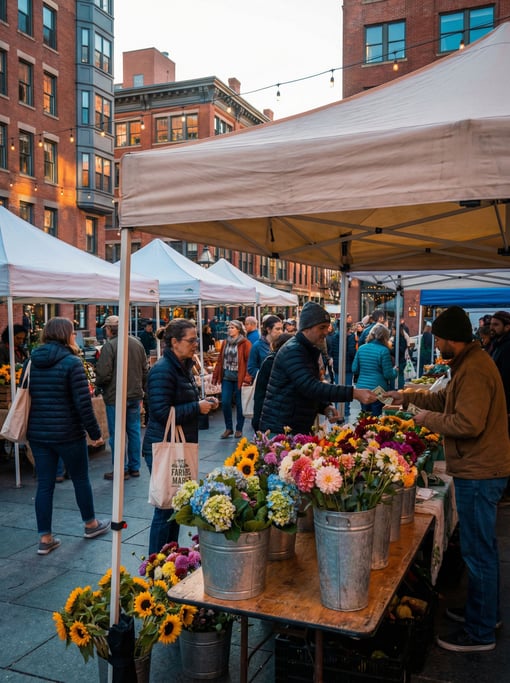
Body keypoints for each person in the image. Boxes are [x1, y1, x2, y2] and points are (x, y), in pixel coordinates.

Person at [385, 306, 510, 653]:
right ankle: (484, 613)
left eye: (438, 337)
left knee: (478, 551)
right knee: (482, 548)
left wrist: (424, 418)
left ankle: (480, 631)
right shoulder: (468, 364)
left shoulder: (475, 369)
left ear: (452, 338)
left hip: (480, 471)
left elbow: (468, 423)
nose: (435, 343)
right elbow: (443, 398)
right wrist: (406, 399)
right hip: (479, 467)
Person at [25, 317, 110, 555]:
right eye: (72, 332)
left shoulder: (31, 361)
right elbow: (83, 404)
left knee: (44, 485)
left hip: (39, 433)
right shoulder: (72, 363)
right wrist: (96, 433)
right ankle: (90, 524)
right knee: (81, 479)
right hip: (68, 432)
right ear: (66, 335)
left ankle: (45, 538)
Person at [142, 319, 218, 554]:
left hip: (178, 442)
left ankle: (170, 556)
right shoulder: (163, 370)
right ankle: (156, 561)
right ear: (174, 342)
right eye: (192, 340)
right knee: (165, 505)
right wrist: (198, 407)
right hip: (164, 444)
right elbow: (160, 412)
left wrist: (200, 405)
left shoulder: (181, 366)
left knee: (176, 503)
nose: (196, 344)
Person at [259, 301, 378, 435]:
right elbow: (310, 386)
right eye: (322, 327)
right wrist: (354, 393)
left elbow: (306, 388)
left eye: (327, 327)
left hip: (294, 427)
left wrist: (324, 406)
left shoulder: (306, 349)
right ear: (307, 328)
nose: (326, 332)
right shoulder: (294, 350)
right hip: (281, 428)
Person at [95, 315, 148, 480]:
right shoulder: (137, 343)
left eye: (106, 328)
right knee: (134, 431)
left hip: (116, 396)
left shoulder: (110, 346)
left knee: (117, 434)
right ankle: (134, 467)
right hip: (134, 394)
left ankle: (121, 469)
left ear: (110, 329)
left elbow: (103, 374)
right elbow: (145, 369)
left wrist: (99, 385)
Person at [212, 320, 252, 438]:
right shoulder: (225, 342)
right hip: (227, 377)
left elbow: (249, 361)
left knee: (240, 404)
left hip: (240, 378)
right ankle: (228, 428)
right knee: (225, 402)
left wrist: (247, 378)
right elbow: (220, 360)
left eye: (232, 327)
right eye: (229, 327)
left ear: (239, 329)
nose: (230, 329)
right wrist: (215, 375)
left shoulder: (245, 343)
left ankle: (239, 428)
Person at [352, 323, 397, 415]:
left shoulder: (361, 348)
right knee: (376, 417)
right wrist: (395, 371)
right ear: (385, 337)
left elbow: (354, 369)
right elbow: (388, 375)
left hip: (362, 388)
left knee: (365, 416)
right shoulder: (384, 351)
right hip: (378, 390)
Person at [251, 332, 293, 432]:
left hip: (273, 416)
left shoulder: (269, 361)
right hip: (278, 415)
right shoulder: (271, 362)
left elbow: (259, 394)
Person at [327, 321, 357, 419]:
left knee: (338, 388)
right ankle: (346, 411)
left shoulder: (335, 337)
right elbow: (352, 351)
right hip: (347, 367)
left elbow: (332, 351)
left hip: (337, 367)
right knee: (347, 389)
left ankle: (337, 410)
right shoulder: (350, 337)